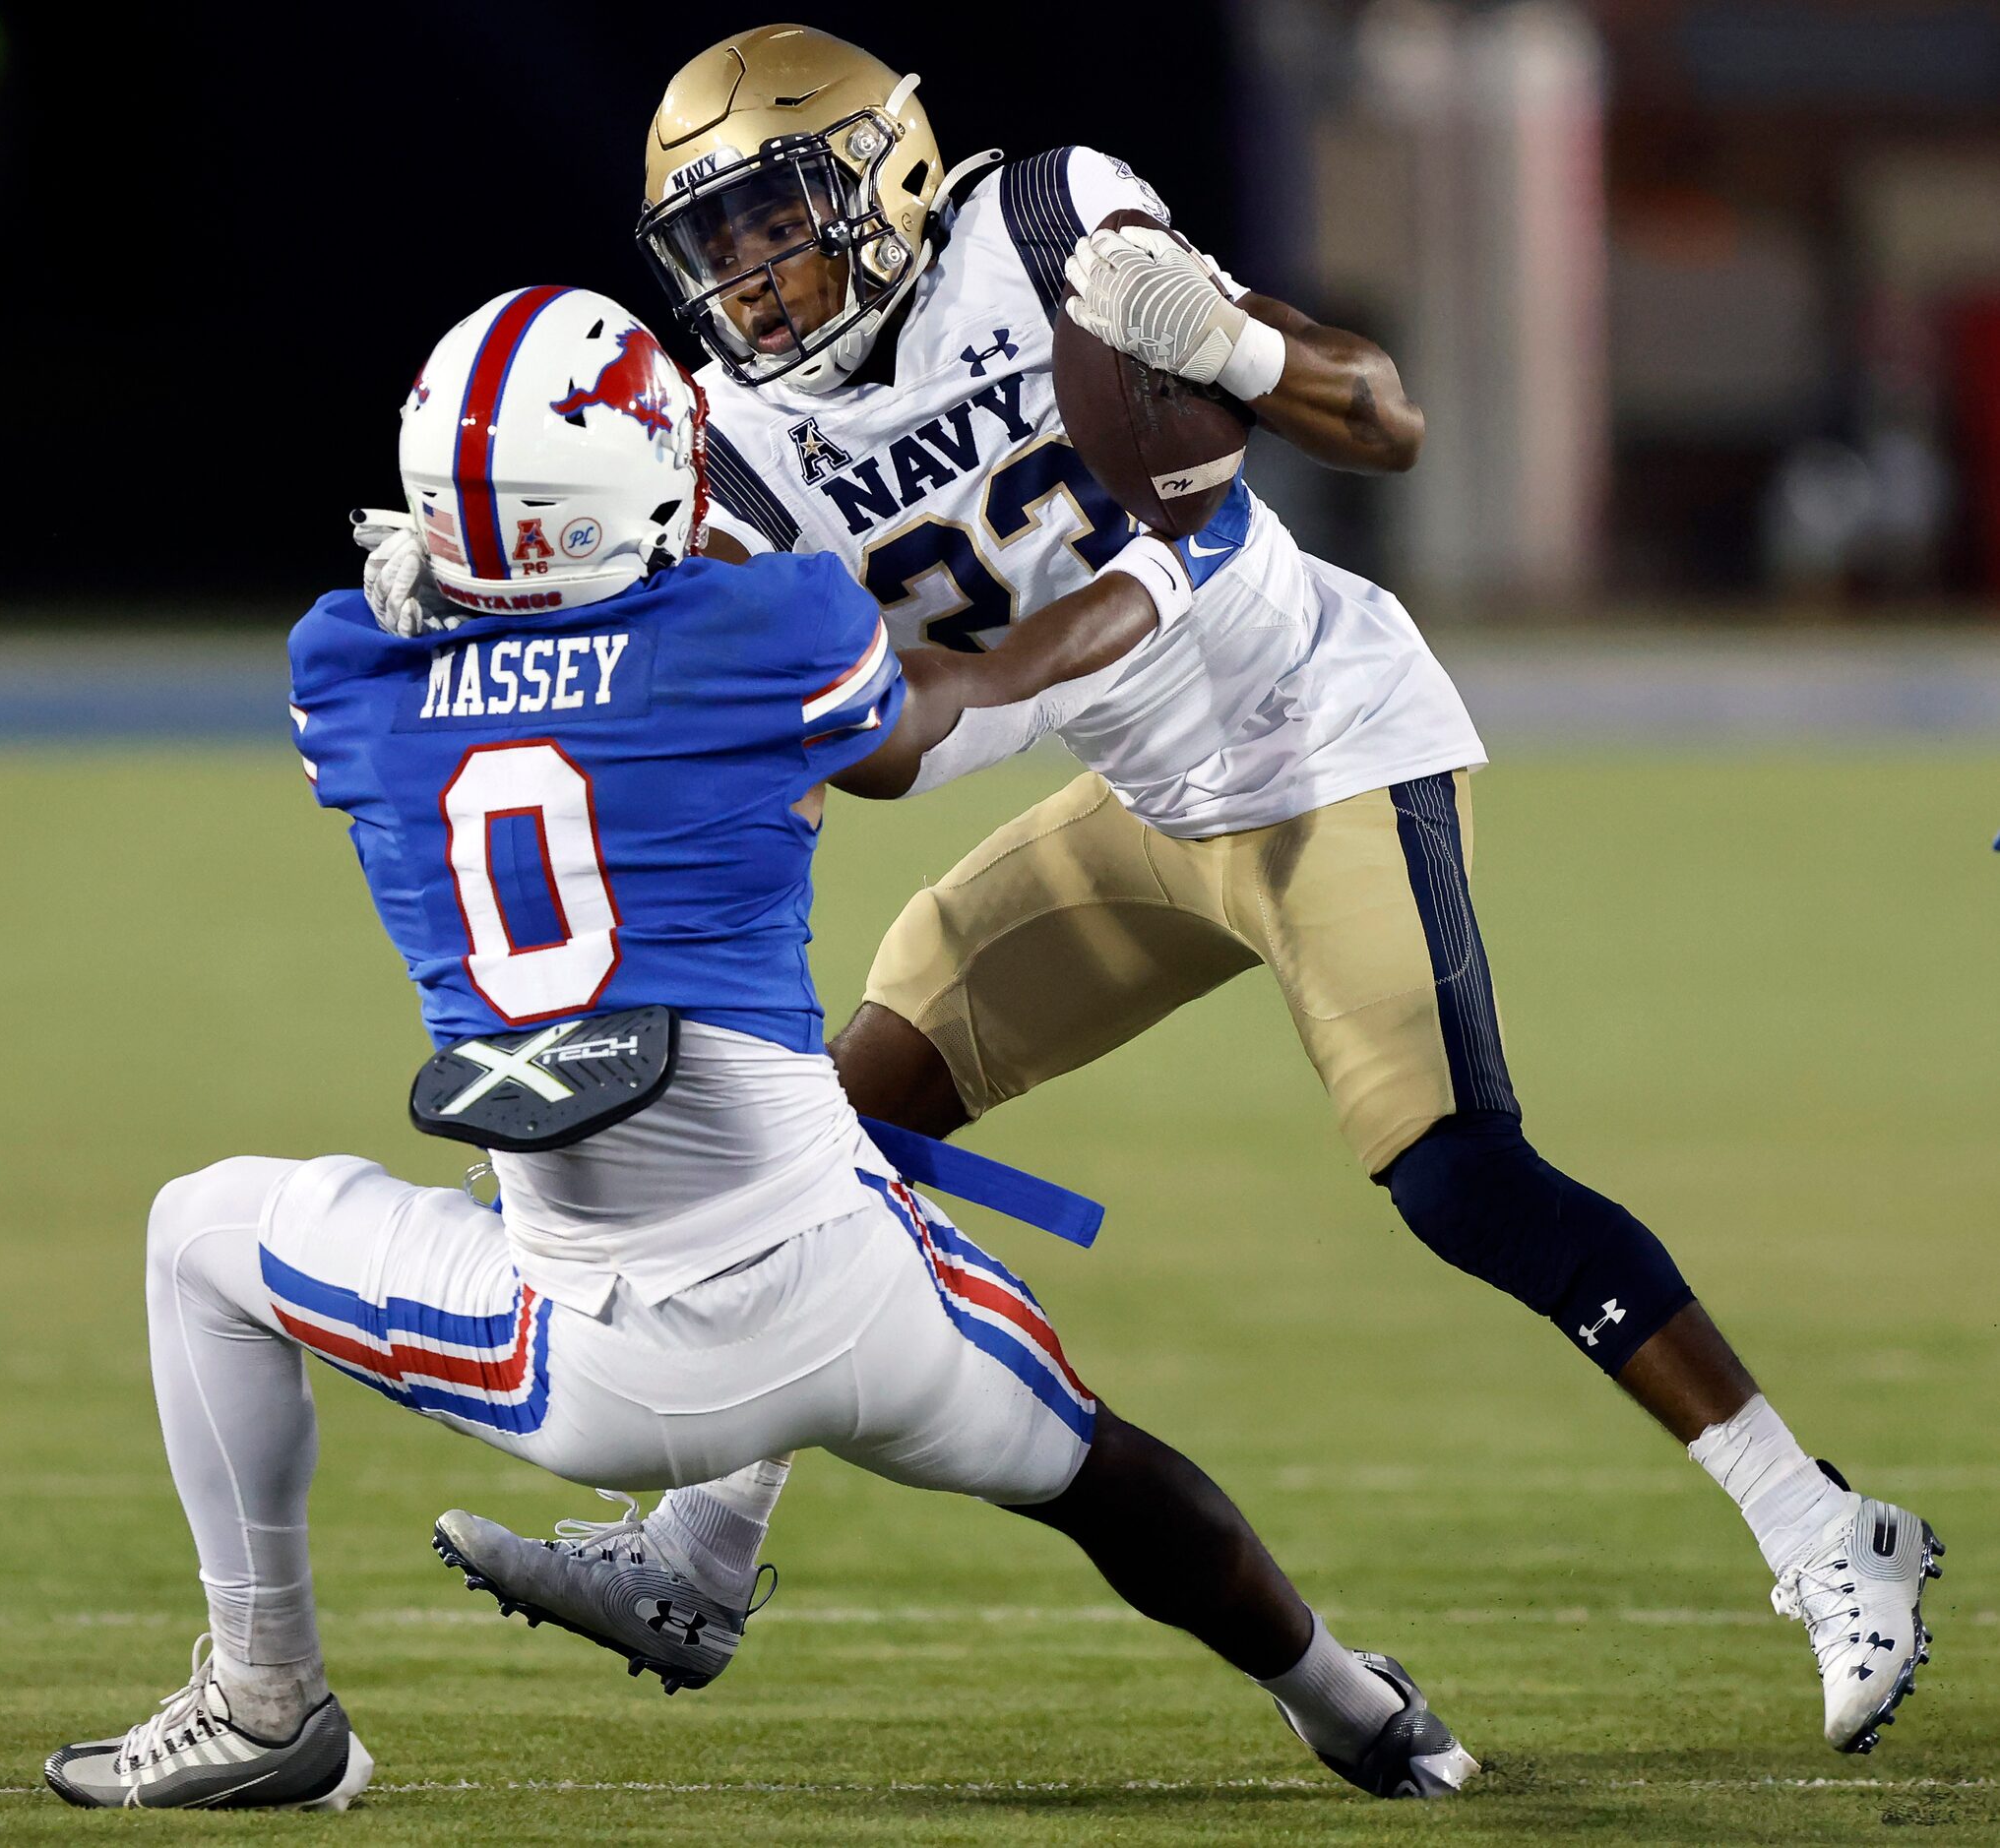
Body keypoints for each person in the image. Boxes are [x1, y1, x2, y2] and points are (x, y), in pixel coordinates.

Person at [356, 26, 1941, 1756]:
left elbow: (1374, 426)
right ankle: (701, 1558)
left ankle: (1822, 1522)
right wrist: (487, 586)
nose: (748, 275)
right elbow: (739, 683)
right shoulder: (736, 435)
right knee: (835, 1121)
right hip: (1140, 780)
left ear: (884, 179)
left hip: (1318, 737)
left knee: (1454, 1168)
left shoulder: (1044, 231)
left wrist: (1235, 341)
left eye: (773, 219)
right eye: (712, 244)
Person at [40, 287, 1480, 1812]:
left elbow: (458, 669)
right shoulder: (773, 629)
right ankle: (1361, 1711)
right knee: (1098, 1471)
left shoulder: (348, 679)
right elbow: (894, 730)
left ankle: (267, 1701)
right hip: (858, 1294)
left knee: (200, 1231)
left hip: (584, 1358)